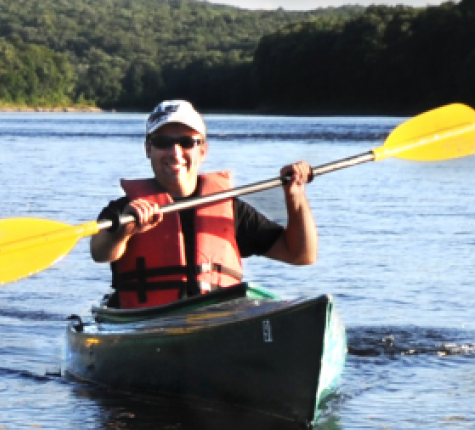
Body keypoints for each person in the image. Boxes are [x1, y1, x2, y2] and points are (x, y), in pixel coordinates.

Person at [90, 100, 316, 308]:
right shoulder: (125, 209)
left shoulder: (231, 210)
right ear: (148, 149)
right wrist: (123, 231)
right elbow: (99, 252)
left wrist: (295, 197)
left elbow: (300, 254)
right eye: (162, 142)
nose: (175, 152)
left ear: (203, 151)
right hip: (144, 323)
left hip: (214, 321)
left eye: (186, 142)